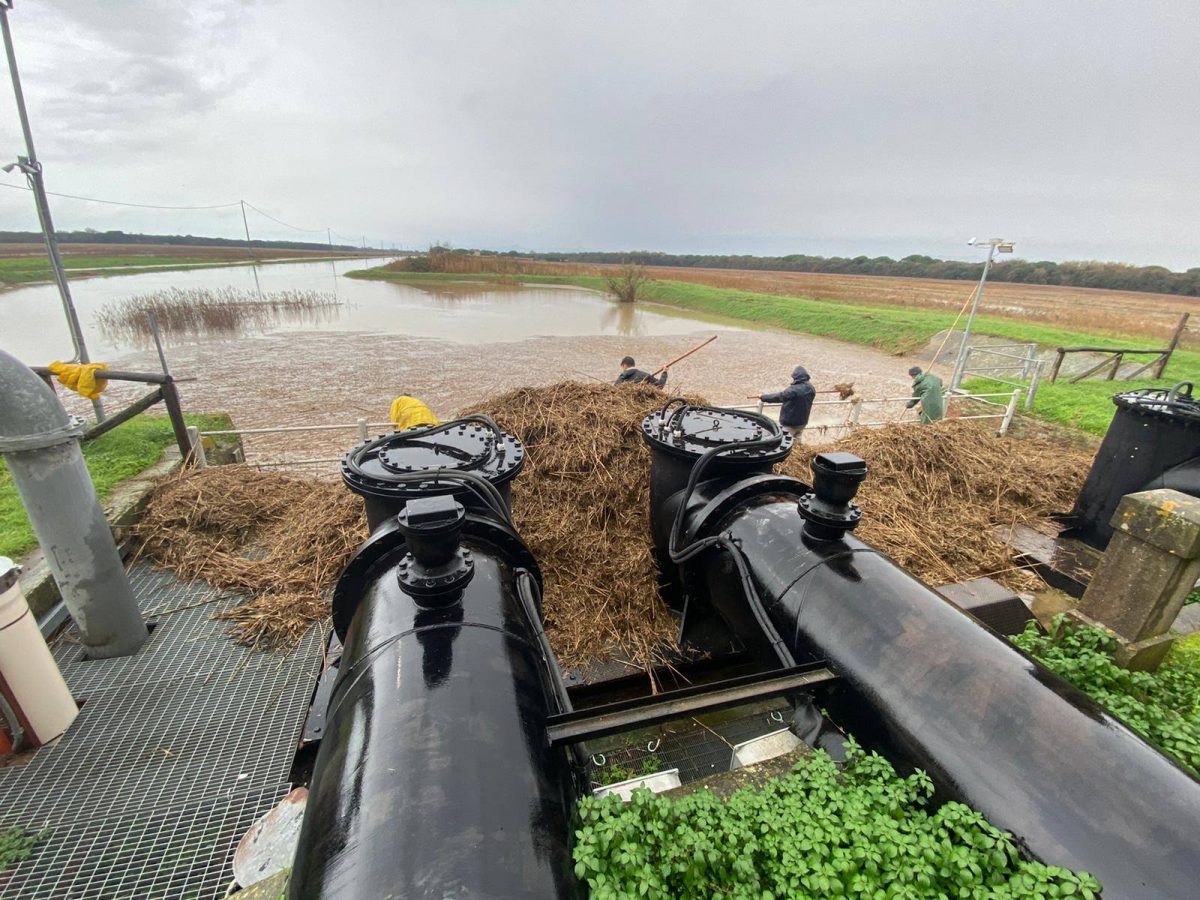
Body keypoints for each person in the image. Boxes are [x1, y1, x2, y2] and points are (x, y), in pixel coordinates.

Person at [760, 365, 816, 443]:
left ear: (795, 377)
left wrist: (763, 397)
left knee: (785, 442)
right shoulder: (811, 388)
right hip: (803, 422)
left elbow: (779, 397)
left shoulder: (793, 390)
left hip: (790, 423)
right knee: (797, 441)